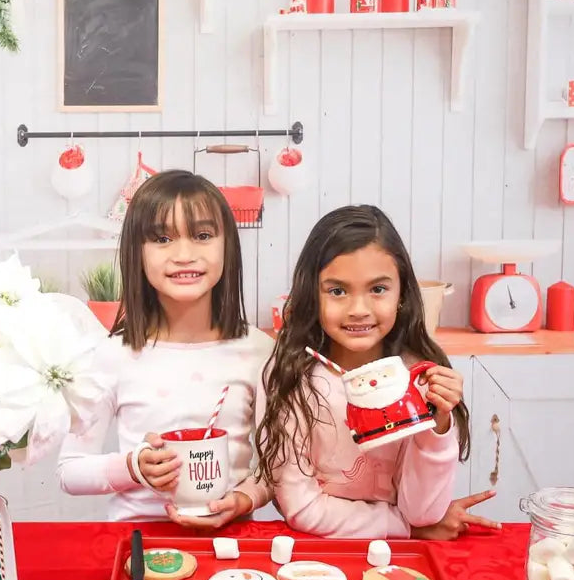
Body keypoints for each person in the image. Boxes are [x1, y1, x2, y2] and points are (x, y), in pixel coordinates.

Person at [257, 204, 496, 539]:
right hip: (318, 558)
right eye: (337, 291)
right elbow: (300, 508)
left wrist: (438, 424)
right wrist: (403, 527)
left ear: (402, 293)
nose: (358, 310)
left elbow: (423, 512)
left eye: (378, 289)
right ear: (312, 293)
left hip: (403, 561)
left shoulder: (421, 375)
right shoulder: (291, 377)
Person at [58, 169, 273, 527]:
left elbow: (276, 467)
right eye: (162, 238)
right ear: (136, 251)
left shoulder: (258, 350)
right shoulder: (112, 355)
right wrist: (133, 467)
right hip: (136, 545)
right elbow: (69, 471)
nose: (184, 254)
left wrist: (243, 499)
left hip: (232, 550)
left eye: (203, 235)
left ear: (227, 246)